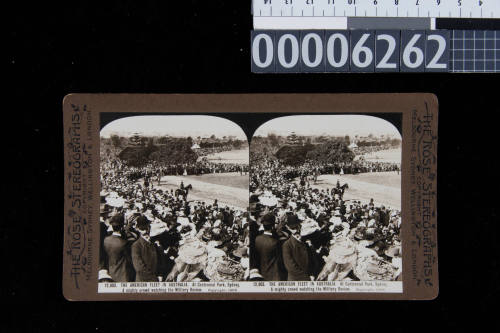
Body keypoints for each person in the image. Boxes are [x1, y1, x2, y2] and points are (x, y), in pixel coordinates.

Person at [281, 214, 314, 281]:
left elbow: (311, 260)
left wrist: (312, 273)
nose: (296, 230)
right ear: (289, 229)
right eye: (293, 228)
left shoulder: (305, 241)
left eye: (297, 227)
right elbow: (291, 267)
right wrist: (307, 278)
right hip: (297, 279)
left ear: (300, 226)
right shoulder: (287, 245)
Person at [103, 214, 134, 282]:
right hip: (123, 276)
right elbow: (130, 260)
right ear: (122, 227)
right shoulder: (124, 243)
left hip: (110, 274)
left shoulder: (106, 240)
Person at [254, 214, 284, 281]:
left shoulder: (257, 239)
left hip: (261, 273)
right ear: (272, 226)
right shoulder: (276, 242)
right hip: (274, 275)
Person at [131, 216, 159, 282]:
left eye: (147, 228)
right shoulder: (136, 245)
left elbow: (159, 262)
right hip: (143, 281)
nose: (146, 231)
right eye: (143, 229)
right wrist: (154, 279)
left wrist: (160, 274)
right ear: (138, 229)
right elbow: (140, 268)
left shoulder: (153, 243)